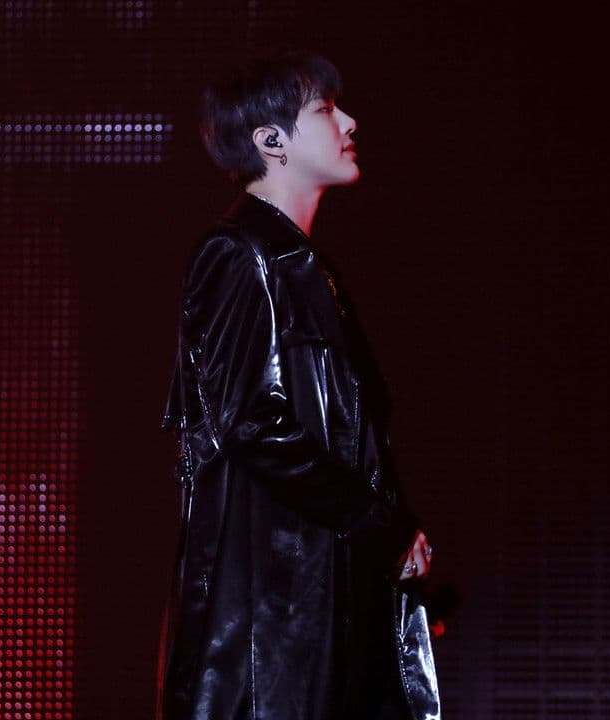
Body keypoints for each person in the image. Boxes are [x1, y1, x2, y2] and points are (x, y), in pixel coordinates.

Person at [158, 52, 442, 720]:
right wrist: (380, 525)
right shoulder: (238, 255)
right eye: (325, 109)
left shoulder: (304, 266)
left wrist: (391, 532)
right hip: (271, 623)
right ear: (271, 140)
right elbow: (254, 424)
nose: (349, 122)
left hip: (316, 603)